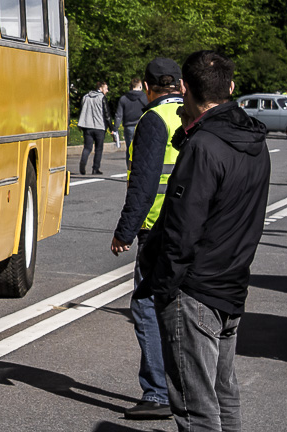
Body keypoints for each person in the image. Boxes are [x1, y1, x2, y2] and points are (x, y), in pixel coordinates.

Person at [136, 51, 271, 432]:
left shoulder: (202, 147)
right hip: (231, 285)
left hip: (194, 291)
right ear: (230, 87)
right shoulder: (254, 142)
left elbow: (181, 230)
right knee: (223, 395)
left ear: (184, 89)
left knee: (196, 411)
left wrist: (161, 287)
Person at [109, 57, 184, 421]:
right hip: (192, 226)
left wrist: (125, 231)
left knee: (145, 306)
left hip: (156, 227)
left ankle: (157, 393)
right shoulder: (193, 114)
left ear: (149, 89)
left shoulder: (152, 120)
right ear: (181, 85)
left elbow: (144, 182)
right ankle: (188, 389)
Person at [76, 81, 109, 175]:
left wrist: (80, 123)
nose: (107, 91)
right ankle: (95, 169)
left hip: (87, 126)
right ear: (101, 88)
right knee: (98, 148)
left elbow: (81, 110)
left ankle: (83, 163)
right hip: (99, 127)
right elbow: (107, 114)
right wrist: (111, 127)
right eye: (106, 88)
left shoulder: (86, 97)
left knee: (87, 147)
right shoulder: (102, 98)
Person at [115, 76, 148, 160]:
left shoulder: (124, 98)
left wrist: (115, 128)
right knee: (143, 148)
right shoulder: (145, 97)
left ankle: (130, 168)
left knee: (130, 149)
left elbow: (119, 115)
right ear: (140, 86)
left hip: (129, 127)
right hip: (143, 125)